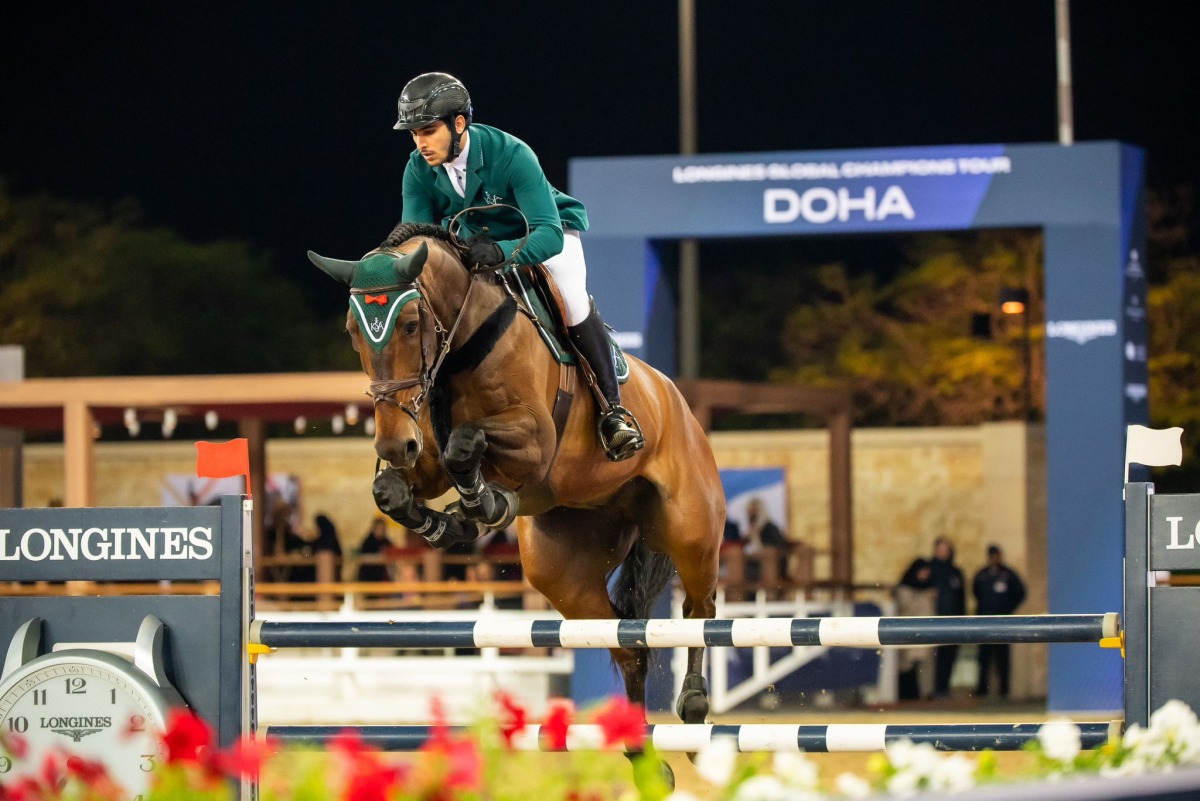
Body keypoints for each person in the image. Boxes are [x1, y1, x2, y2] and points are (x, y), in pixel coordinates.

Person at [383, 71, 644, 462]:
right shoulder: (418, 169)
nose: (420, 143)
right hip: (473, 247)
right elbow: (417, 242)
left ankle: (613, 411)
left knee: (571, 300)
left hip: (545, 235)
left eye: (428, 130)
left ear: (459, 124)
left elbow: (549, 234)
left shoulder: (511, 153)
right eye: (414, 133)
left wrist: (503, 252)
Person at [972, 544, 1027, 699]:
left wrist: (1008, 609)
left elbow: (1021, 593)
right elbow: (975, 591)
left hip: (1003, 622)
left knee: (1003, 657)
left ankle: (1004, 690)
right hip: (984, 622)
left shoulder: (1008, 574)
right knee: (984, 657)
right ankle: (982, 689)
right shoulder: (982, 574)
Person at [894, 558, 937, 700]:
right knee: (906, 666)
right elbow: (906, 607)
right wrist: (924, 597)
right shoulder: (905, 589)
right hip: (908, 632)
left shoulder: (930, 587)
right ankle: (907, 696)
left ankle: (925, 695)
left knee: (926, 668)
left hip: (927, 632)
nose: (925, 575)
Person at [929, 536, 966, 698]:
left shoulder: (956, 572)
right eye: (940, 549)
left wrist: (964, 621)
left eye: (946, 549)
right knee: (934, 658)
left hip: (954, 621)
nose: (943, 552)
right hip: (933, 621)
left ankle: (944, 689)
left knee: (950, 656)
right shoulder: (929, 569)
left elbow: (962, 598)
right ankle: (934, 690)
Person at [356, 517, 393, 582]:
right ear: (374, 529)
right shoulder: (368, 542)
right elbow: (362, 558)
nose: (381, 531)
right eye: (379, 529)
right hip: (368, 578)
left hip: (382, 579)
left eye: (383, 529)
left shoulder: (386, 542)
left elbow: (393, 553)